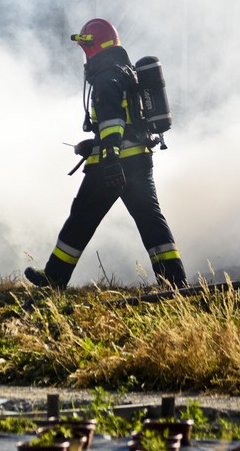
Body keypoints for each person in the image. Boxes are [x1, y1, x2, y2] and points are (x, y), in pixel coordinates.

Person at [24, 18, 187, 289]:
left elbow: (113, 122)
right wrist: (94, 144)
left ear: (93, 46)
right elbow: (126, 122)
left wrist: (109, 158)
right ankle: (174, 281)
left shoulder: (106, 75)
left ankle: (54, 277)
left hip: (113, 165)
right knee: (151, 220)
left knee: (81, 219)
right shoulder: (125, 71)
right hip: (137, 161)